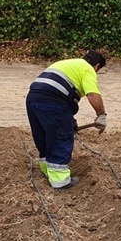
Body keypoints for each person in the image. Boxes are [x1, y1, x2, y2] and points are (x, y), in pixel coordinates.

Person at [26, 50, 108, 189]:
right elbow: (92, 94)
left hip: (33, 98)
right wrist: (101, 115)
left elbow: (64, 98)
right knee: (61, 137)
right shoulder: (88, 69)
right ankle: (60, 181)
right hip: (52, 101)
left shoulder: (69, 64)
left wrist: (70, 122)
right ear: (97, 66)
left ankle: (47, 168)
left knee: (44, 134)